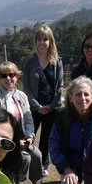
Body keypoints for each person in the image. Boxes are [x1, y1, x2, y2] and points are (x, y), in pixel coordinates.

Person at [0, 61, 44, 184]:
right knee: (25, 158)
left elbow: (28, 119)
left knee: (37, 155)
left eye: (11, 74)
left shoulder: (22, 96)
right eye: (4, 76)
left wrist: (30, 135)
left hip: (23, 137)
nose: (8, 78)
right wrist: (16, 142)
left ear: (17, 76)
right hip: (3, 141)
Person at [22, 24, 64, 176]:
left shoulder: (57, 62)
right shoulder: (29, 62)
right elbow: (26, 87)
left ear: (50, 41)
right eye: (39, 39)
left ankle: (43, 165)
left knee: (46, 138)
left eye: (45, 39)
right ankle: (29, 163)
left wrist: (51, 106)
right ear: (35, 41)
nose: (42, 43)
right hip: (33, 108)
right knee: (29, 136)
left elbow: (60, 86)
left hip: (52, 108)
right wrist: (37, 106)